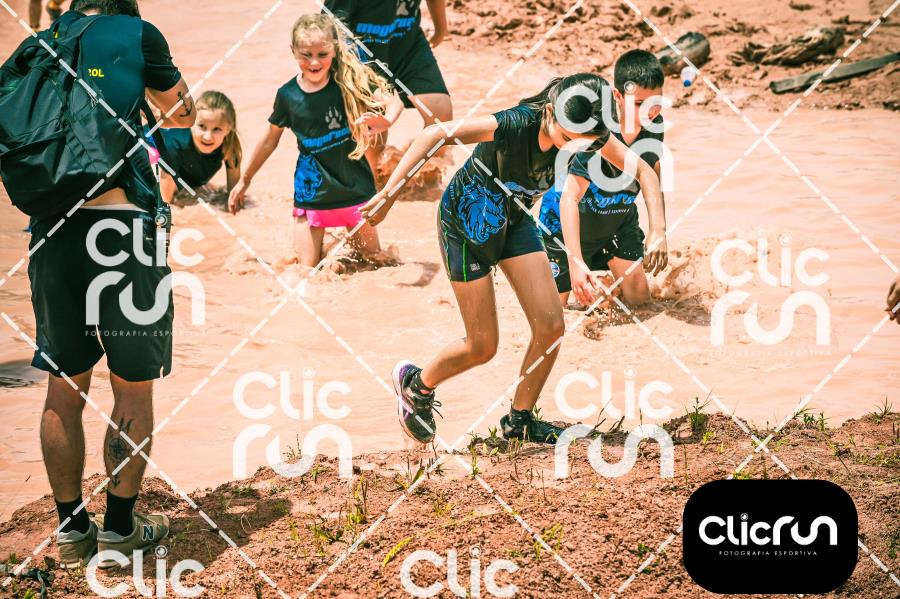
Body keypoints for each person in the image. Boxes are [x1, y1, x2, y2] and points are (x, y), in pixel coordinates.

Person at [360, 73, 665, 445]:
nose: (575, 149)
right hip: (465, 223)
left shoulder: (591, 132)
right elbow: (435, 134)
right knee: (482, 346)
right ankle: (415, 386)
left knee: (551, 327)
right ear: (550, 112)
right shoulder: (515, 124)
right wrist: (390, 194)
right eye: (568, 139)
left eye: (584, 143)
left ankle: (519, 422)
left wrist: (658, 229)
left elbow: (643, 170)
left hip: (514, 221)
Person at [2, 0, 195, 569]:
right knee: (132, 388)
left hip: (51, 231)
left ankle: (70, 532)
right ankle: (119, 530)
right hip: (122, 229)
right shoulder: (136, 33)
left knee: (63, 387)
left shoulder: (37, 44)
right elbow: (182, 113)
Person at [228, 13, 402, 269]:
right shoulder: (288, 96)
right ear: (293, 51)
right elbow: (268, 141)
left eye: (322, 54)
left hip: (356, 191)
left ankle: (336, 252)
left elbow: (394, 99)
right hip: (313, 196)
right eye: (305, 55)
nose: (314, 62)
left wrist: (387, 120)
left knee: (376, 264)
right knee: (305, 273)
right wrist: (245, 179)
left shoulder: (349, 81)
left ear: (334, 49)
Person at [540, 50, 669, 307]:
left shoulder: (655, 127)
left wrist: (658, 229)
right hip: (564, 228)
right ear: (618, 97)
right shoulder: (597, 133)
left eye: (656, 101)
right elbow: (569, 199)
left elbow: (652, 171)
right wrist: (576, 262)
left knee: (641, 303)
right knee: (553, 313)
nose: (651, 110)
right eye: (639, 103)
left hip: (617, 222)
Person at [324, 0, 452, 171]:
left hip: (407, 43)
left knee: (441, 119)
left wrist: (441, 29)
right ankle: (376, 181)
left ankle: (416, 176)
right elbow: (331, 28)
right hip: (362, 51)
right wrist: (359, 75)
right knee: (371, 134)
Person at [156, 90, 244, 214]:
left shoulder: (229, 147)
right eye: (202, 126)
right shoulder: (174, 147)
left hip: (186, 181)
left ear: (229, 129)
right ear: (191, 122)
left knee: (231, 200)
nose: (208, 136)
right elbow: (165, 203)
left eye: (217, 129)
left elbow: (234, 197)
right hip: (150, 158)